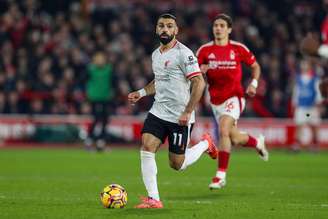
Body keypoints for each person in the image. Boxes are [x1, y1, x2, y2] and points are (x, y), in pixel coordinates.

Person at [128, 13, 218, 209]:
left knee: (177, 164)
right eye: (161, 26)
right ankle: (154, 199)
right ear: (156, 29)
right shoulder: (155, 54)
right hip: (159, 111)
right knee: (147, 146)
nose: (165, 29)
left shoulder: (184, 54)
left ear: (176, 31)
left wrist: (187, 111)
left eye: (169, 26)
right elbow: (159, 82)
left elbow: (199, 82)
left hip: (180, 117)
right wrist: (142, 92)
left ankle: (205, 144)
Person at [196, 14, 269, 190]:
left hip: (235, 97)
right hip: (215, 100)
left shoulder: (238, 48)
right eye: (215, 25)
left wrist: (253, 83)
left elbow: (255, 66)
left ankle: (220, 176)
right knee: (233, 137)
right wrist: (201, 70)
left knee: (223, 130)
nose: (218, 28)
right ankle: (257, 143)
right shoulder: (204, 51)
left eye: (222, 25)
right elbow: (193, 75)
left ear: (229, 29)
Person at [84, 51, 114, 151]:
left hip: (105, 98)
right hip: (94, 98)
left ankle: (101, 141)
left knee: (105, 119)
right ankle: (90, 139)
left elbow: (114, 81)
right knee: (96, 119)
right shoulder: (90, 70)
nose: (100, 61)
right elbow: (83, 81)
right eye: (98, 59)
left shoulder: (109, 69)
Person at [292, 59, 323, 151]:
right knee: (299, 124)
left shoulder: (315, 79)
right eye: (302, 64)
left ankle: (315, 144)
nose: (303, 66)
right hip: (301, 106)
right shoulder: (298, 78)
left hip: (311, 107)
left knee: (314, 125)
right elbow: (296, 92)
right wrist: (295, 103)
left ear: (309, 66)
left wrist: (318, 103)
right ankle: (297, 144)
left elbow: (319, 92)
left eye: (305, 64)